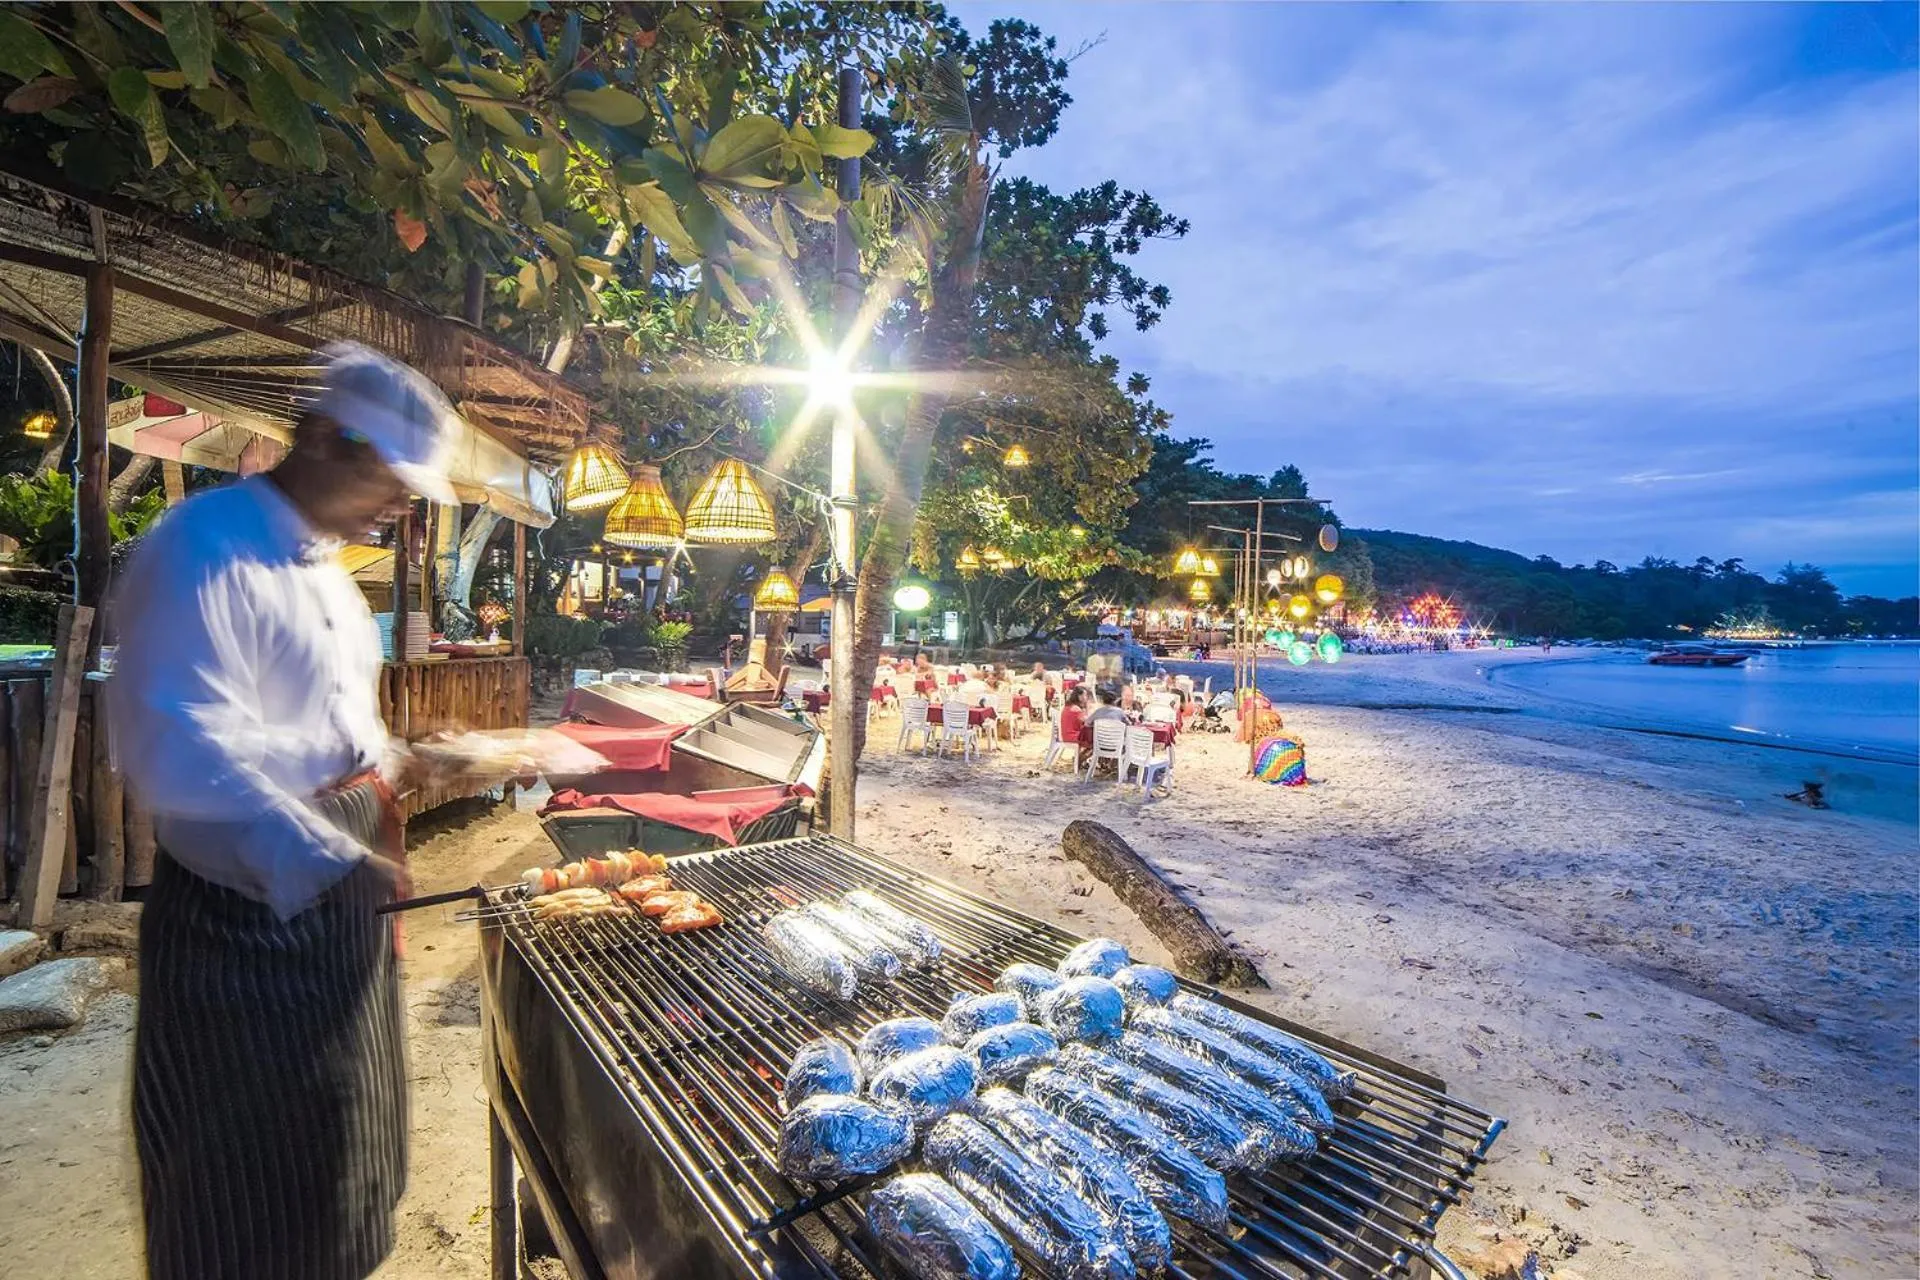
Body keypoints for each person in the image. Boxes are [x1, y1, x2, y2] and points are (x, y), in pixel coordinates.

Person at [110, 343, 458, 1280]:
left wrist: (409, 762)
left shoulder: (333, 576)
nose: (401, 503)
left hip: (335, 902)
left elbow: (328, 734)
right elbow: (180, 753)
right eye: (392, 478)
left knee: (343, 1152)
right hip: (242, 917)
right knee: (240, 1193)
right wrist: (331, 857)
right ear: (325, 439)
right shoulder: (203, 546)